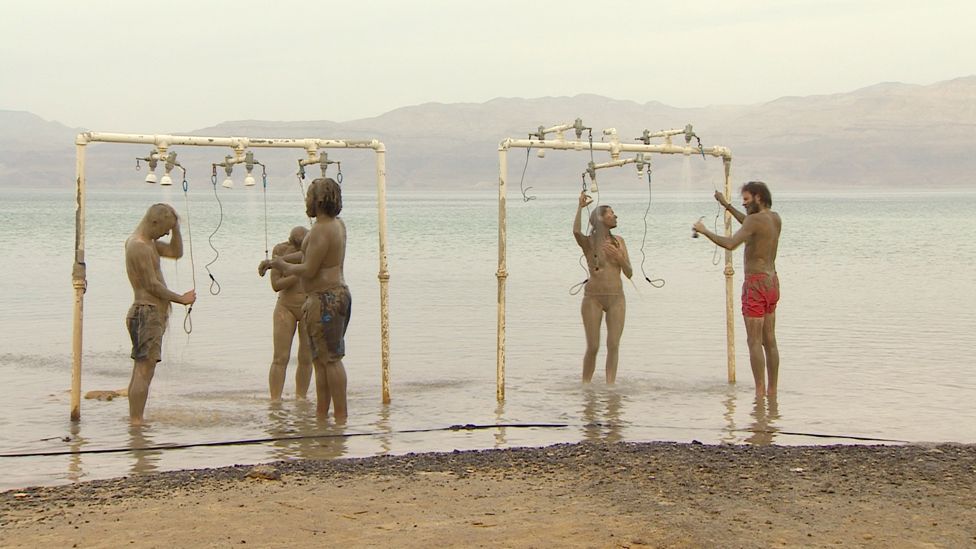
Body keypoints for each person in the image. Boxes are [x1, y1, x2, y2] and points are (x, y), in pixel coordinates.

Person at [269, 178, 351, 421]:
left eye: (308, 196)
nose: (305, 200)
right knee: (320, 361)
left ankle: (340, 416)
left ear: (319, 200)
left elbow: (310, 268)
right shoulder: (337, 225)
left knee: (331, 360)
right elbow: (308, 253)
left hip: (327, 299)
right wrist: (278, 261)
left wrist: (283, 264)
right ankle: (321, 416)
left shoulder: (320, 229)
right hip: (332, 296)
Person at [694, 181, 782, 397]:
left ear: (758, 197)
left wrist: (704, 231)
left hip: (756, 283)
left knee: (754, 341)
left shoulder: (754, 221)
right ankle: (772, 391)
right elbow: (748, 225)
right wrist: (726, 205)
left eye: (746, 199)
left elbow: (732, 243)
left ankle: (759, 392)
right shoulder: (774, 218)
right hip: (773, 282)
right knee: (769, 340)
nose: (743, 204)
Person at [124, 203, 196, 425]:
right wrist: (181, 299)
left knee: (143, 369)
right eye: (164, 228)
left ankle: (136, 419)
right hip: (146, 313)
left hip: (152, 314)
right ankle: (137, 422)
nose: (165, 233)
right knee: (143, 370)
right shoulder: (138, 246)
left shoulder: (150, 244)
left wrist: (176, 227)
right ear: (154, 222)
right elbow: (151, 286)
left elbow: (176, 253)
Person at [573, 191, 633, 383]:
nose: (615, 216)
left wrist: (619, 258)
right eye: (611, 214)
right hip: (593, 298)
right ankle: (586, 385)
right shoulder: (589, 243)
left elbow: (630, 272)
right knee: (593, 346)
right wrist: (579, 208)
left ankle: (610, 387)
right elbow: (575, 232)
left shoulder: (619, 242)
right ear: (600, 218)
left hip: (616, 297)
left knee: (613, 344)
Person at [261, 226, 313, 401]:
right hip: (286, 306)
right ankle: (275, 399)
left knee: (306, 357)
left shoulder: (313, 249)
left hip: (308, 305)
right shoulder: (280, 250)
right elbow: (276, 284)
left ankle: (301, 398)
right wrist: (298, 274)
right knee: (280, 357)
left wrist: (294, 269)